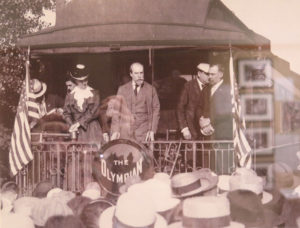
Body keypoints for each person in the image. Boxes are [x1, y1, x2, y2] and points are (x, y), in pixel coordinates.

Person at [111, 62, 160, 142]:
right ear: (131, 74)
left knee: (143, 154)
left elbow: (156, 110)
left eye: (141, 73)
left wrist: (152, 130)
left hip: (144, 133)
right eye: (136, 73)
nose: (139, 76)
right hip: (125, 132)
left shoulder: (151, 89)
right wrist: (115, 130)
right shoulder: (122, 89)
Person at [63, 64, 104, 142]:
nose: (84, 82)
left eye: (86, 79)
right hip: (77, 132)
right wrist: (72, 125)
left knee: (94, 152)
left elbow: (93, 112)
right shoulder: (70, 96)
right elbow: (66, 113)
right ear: (75, 81)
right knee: (78, 152)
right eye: (81, 81)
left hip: (92, 130)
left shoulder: (94, 93)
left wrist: (78, 123)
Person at [176, 63, 212, 140]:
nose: (209, 76)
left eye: (211, 74)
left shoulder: (211, 88)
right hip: (190, 129)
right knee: (191, 151)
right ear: (199, 73)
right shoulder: (188, 86)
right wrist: (184, 129)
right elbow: (180, 108)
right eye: (207, 74)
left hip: (206, 130)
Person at [208, 64, 233, 140]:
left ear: (221, 74)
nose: (209, 77)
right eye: (209, 74)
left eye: (212, 74)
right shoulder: (208, 89)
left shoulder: (227, 89)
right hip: (210, 133)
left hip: (223, 133)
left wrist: (209, 120)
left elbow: (227, 111)